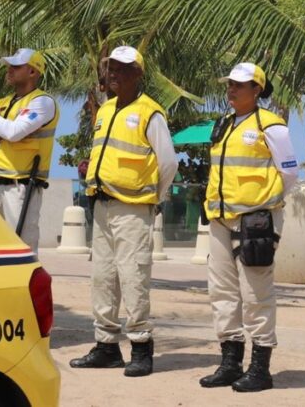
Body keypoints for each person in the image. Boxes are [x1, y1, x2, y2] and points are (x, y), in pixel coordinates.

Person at [70, 46, 177, 377]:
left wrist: (153, 198)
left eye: (122, 68)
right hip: (101, 205)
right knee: (102, 277)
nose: (114, 73)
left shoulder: (150, 113)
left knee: (133, 277)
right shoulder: (104, 110)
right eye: (111, 68)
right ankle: (106, 346)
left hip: (133, 208)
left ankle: (142, 347)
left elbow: (168, 163)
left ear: (138, 74)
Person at [198, 63, 298, 393]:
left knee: (256, 295)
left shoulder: (272, 126)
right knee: (222, 293)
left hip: (255, 221)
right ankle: (230, 362)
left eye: (239, 85)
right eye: (229, 84)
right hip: (220, 218)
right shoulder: (223, 125)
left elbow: (289, 175)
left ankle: (260, 368)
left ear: (257, 90)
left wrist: (268, 212)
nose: (231, 90)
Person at [0, 48, 59, 250]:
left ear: (33, 72)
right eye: (9, 66)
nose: (9, 70)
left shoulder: (42, 102)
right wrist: (0, 131)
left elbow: (14, 133)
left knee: (21, 249)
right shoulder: (0, 104)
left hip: (20, 187)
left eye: (17, 66)